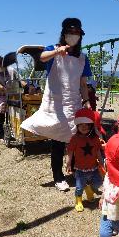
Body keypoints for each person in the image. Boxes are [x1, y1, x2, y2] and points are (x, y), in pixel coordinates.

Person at [20, 18, 92, 191]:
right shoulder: (53, 49)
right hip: (55, 104)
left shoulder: (83, 58)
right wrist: (57, 52)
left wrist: (87, 100)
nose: (73, 36)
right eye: (70, 33)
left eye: (76, 34)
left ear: (80, 36)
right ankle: (58, 177)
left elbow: (83, 83)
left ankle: (76, 170)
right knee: (58, 141)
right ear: (64, 34)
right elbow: (42, 58)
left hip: (74, 103)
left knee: (75, 140)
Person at [66, 108, 102, 212]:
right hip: (80, 169)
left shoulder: (95, 139)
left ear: (91, 125)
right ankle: (78, 201)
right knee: (79, 187)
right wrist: (68, 164)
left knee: (98, 182)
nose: (84, 127)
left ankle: (89, 189)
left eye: (87, 125)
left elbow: (98, 151)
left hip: (94, 167)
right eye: (81, 125)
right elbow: (70, 152)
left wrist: (101, 162)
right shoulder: (74, 139)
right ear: (77, 126)